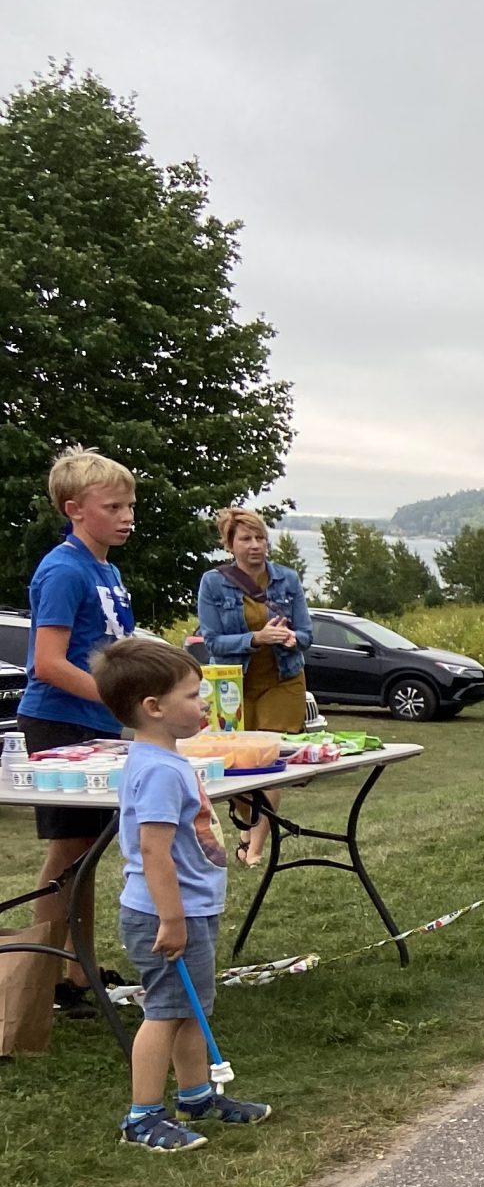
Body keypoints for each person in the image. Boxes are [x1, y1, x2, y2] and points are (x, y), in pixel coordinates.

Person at [91, 638, 269, 1149]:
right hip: (169, 916)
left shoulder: (159, 759)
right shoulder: (160, 771)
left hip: (187, 912)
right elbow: (154, 853)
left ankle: (196, 1096)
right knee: (165, 1012)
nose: (204, 705)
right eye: (193, 696)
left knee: (190, 1008)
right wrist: (171, 921)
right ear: (155, 708)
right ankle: (142, 1117)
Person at [19, 449, 141, 1022]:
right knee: (67, 852)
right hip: (58, 720)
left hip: (96, 723)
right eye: (112, 506)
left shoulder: (108, 570)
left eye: (130, 505)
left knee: (88, 855)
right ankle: (38, 972)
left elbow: (112, 652)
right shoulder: (64, 569)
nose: (126, 516)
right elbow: (48, 662)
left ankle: (79, 969)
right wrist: (120, 698)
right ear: (75, 510)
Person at [194, 506, 313, 868]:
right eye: (246, 538)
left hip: (283, 679)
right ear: (230, 544)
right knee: (239, 765)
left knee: (270, 758)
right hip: (232, 684)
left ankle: (256, 848)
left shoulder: (287, 579)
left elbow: (308, 634)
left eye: (260, 537)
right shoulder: (213, 583)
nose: (255, 545)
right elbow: (212, 641)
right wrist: (256, 638)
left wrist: (292, 638)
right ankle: (246, 823)